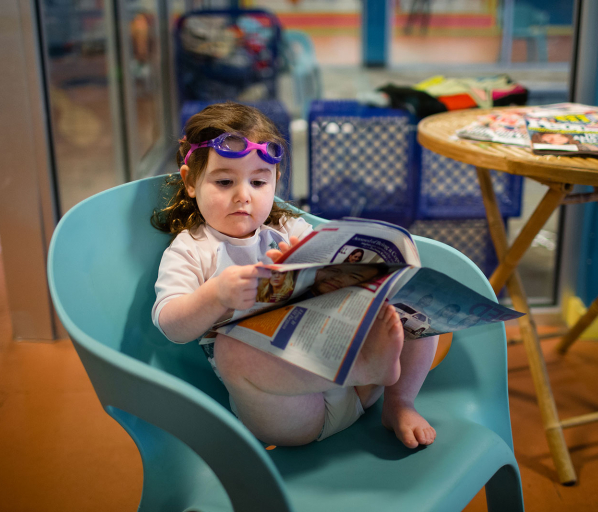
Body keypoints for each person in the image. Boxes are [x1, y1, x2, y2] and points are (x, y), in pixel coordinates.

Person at [151, 102, 437, 448]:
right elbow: (170, 324)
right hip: (292, 412)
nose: (243, 196)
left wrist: (315, 262)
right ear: (191, 181)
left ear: (275, 182)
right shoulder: (191, 249)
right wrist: (217, 295)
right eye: (224, 181)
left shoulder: (287, 228)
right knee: (231, 350)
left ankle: (399, 402)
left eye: (258, 181)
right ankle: (366, 367)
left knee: (409, 291)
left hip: (359, 391)